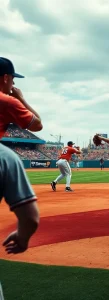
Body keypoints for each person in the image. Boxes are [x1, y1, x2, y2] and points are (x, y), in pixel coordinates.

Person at [0, 57, 42, 298]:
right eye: (12, 79)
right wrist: (20, 98)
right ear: (6, 78)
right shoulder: (5, 99)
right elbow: (37, 125)